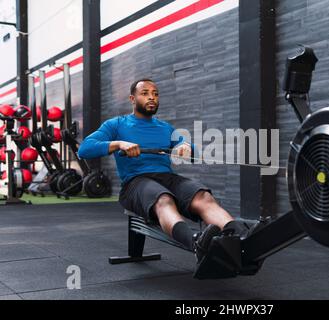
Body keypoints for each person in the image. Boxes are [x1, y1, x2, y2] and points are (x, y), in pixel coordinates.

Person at [78, 79, 247, 263]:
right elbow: (85, 149)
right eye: (145, 93)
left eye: (155, 94)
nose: (151, 97)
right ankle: (197, 243)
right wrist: (119, 144)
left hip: (167, 178)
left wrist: (184, 146)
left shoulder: (165, 128)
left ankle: (242, 237)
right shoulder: (117, 125)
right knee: (163, 199)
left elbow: (191, 149)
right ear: (132, 99)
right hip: (135, 182)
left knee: (203, 196)